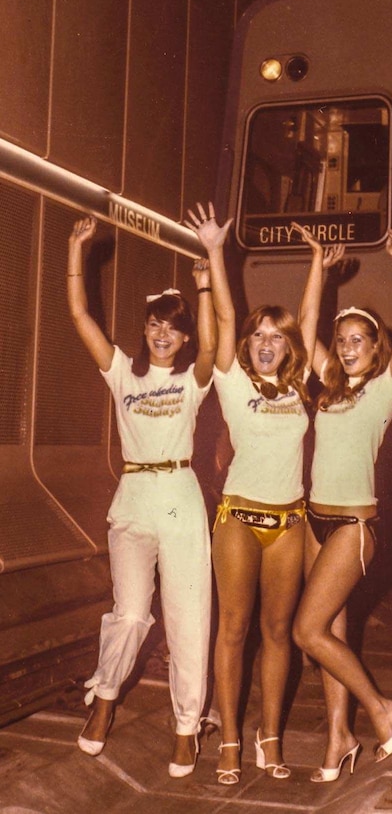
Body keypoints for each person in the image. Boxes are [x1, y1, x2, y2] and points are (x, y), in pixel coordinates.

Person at [186, 203, 342, 785]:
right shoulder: (230, 379)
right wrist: (214, 249)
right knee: (234, 629)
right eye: (259, 336)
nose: (267, 343)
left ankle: (268, 738)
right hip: (239, 518)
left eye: (277, 337)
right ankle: (228, 740)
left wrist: (318, 265)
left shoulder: (300, 383)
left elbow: (308, 316)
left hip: (290, 523)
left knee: (279, 635)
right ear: (247, 344)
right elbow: (225, 314)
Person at [68, 215, 216, 778]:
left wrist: (203, 283)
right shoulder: (123, 373)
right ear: (147, 327)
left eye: (172, 329)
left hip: (179, 495)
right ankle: (104, 701)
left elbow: (215, 343)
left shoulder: (191, 381)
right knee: (130, 614)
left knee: (188, 619)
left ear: (183, 338)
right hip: (133, 496)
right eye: (155, 323)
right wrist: (75, 250)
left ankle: (185, 729)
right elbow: (81, 316)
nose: (161, 334)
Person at [292, 226, 392, 781]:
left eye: (356, 341)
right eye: (341, 340)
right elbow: (303, 327)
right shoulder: (330, 386)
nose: (345, 348)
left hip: (352, 526)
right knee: (331, 636)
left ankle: (381, 709)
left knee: (307, 633)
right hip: (314, 520)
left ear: (376, 348)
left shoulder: (385, 389)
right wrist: (318, 267)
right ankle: (338, 739)